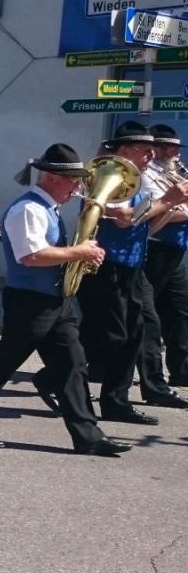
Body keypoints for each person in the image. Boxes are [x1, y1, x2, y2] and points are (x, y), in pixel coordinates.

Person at [0, 144, 130, 456]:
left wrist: (80, 255)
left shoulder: (47, 208)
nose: (78, 187)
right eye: (73, 180)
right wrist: (80, 252)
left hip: (54, 299)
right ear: (51, 177)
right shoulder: (29, 209)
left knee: (73, 365)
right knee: (2, 365)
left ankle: (88, 436)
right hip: (30, 301)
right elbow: (31, 256)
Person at [78, 122, 188, 424]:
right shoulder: (110, 176)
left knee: (136, 332)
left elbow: (144, 226)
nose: (150, 156)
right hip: (109, 264)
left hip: (132, 263)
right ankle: (56, 377)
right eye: (145, 150)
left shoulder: (134, 179)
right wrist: (169, 201)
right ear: (125, 150)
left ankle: (116, 401)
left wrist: (168, 208)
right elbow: (126, 218)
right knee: (114, 334)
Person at [144, 125, 188, 391]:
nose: (174, 153)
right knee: (147, 317)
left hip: (178, 249)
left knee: (181, 311)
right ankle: (151, 379)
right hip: (155, 248)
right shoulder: (146, 175)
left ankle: (181, 370)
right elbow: (159, 209)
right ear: (155, 148)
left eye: (175, 147)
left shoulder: (175, 171)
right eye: (169, 147)